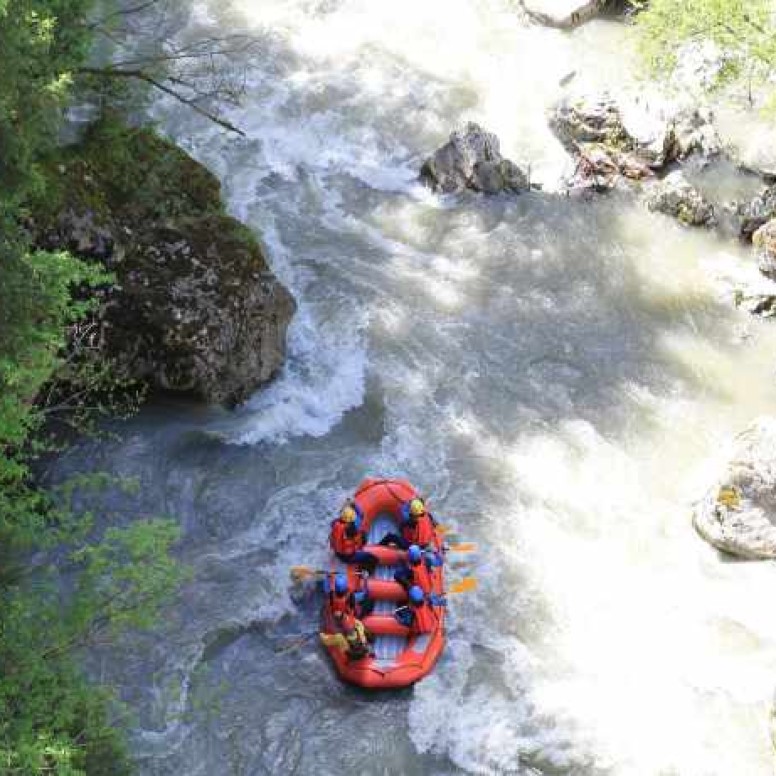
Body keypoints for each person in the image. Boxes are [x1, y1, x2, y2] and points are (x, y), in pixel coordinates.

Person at [329, 501, 377, 572]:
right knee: (373, 558)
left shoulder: (335, 523)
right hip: (347, 557)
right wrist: (363, 537)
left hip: (337, 552)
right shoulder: (352, 530)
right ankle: (366, 571)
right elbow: (358, 543)